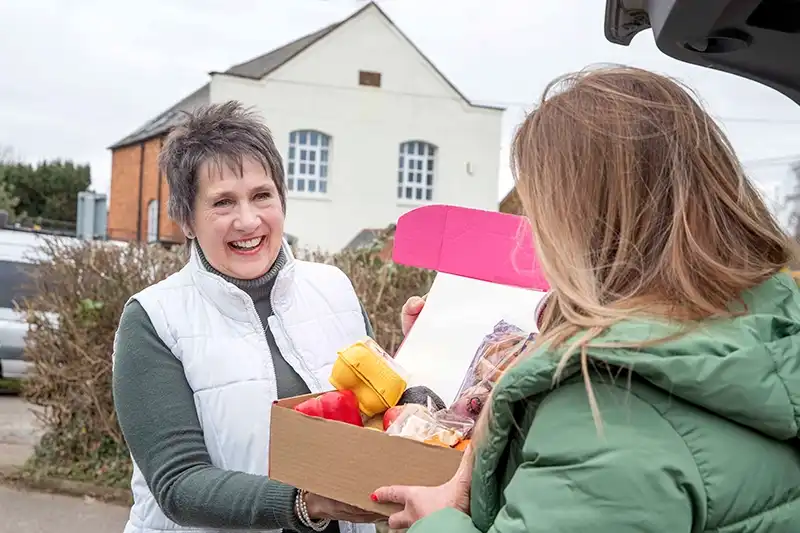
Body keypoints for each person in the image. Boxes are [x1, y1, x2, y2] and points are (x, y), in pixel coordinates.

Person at [373, 66, 800, 532]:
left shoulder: (606, 410)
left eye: (540, 211)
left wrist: (439, 522)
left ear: (583, 224)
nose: (533, 238)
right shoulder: (769, 325)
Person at [112, 101, 420, 533]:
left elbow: (379, 412)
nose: (248, 220)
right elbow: (178, 485)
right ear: (186, 219)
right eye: (222, 203)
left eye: (262, 195)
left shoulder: (333, 288)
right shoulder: (154, 318)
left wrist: (424, 357)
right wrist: (303, 504)